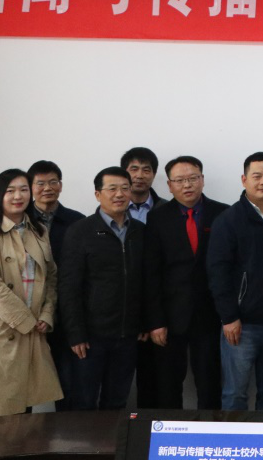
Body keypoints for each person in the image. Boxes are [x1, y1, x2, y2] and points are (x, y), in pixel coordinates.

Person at [0, 168, 63, 416]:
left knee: (23, 404)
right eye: (10, 191)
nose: (18, 196)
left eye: (23, 190)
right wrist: (26, 321)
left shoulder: (38, 230)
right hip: (2, 325)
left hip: (33, 327)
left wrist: (46, 314)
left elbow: (51, 277)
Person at [207, 152, 263, 411]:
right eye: (256, 176)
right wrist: (229, 317)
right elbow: (218, 273)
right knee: (235, 394)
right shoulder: (228, 220)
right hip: (241, 325)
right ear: (244, 180)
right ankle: (233, 440)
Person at [144, 155, 229, 409]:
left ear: (202, 180)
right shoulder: (157, 218)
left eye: (193, 178)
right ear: (169, 185)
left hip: (211, 315)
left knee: (210, 383)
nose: (187, 185)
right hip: (170, 317)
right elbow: (151, 274)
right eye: (180, 180)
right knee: (169, 385)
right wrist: (156, 321)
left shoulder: (223, 213)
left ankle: (210, 430)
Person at [59, 166, 147, 410]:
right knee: (83, 402)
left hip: (128, 335)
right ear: (98, 194)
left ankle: (113, 438)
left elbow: (146, 281)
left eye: (125, 188)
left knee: (117, 402)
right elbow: (68, 286)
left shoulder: (140, 231)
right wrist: (75, 333)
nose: (119, 194)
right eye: (112, 189)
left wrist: (144, 321)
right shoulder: (80, 231)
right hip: (90, 337)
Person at [27, 159, 83, 411]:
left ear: (61, 185)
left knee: (68, 383)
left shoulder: (77, 221)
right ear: (30, 187)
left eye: (53, 182)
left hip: (66, 312)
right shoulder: (19, 220)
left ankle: (66, 434)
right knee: (21, 384)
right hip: (27, 313)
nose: (47, 188)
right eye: (40, 183)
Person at [121, 145, 162, 408]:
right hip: (120, 313)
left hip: (157, 314)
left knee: (153, 384)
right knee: (116, 385)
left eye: (146, 169)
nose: (139, 175)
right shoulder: (109, 210)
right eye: (133, 169)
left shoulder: (167, 210)